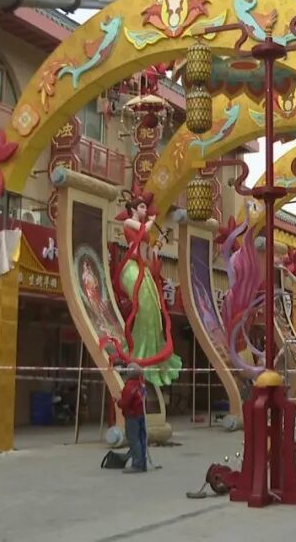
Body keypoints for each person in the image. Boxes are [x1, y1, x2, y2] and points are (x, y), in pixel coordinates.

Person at [120, 198, 182, 387]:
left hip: (142, 268)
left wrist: (157, 246)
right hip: (131, 268)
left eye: (146, 207)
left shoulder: (143, 227)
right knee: (144, 308)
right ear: (132, 208)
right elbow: (142, 230)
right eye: (141, 206)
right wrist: (153, 220)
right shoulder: (129, 222)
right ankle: (138, 353)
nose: (145, 209)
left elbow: (147, 253)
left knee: (153, 312)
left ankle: (149, 355)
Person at [115, 363, 147, 473]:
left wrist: (118, 401)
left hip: (132, 416)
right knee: (141, 439)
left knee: (134, 439)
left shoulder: (129, 386)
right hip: (141, 414)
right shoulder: (141, 384)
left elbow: (125, 403)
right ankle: (143, 463)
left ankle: (137, 465)